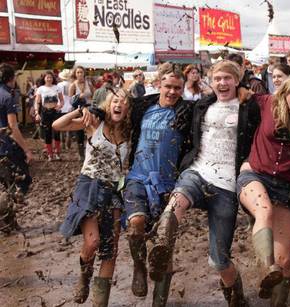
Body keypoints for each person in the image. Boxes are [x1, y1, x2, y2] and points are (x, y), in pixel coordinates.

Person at [148, 60, 260, 306]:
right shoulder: (202, 104)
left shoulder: (249, 106)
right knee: (175, 204)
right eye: (217, 78)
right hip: (198, 172)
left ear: (236, 80)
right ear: (211, 80)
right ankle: (162, 246)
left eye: (227, 78)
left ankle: (236, 298)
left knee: (219, 260)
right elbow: (167, 101)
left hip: (228, 185)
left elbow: (268, 121)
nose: (222, 83)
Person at [237, 75, 290, 306]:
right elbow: (236, 90)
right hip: (254, 175)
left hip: (285, 188)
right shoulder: (267, 104)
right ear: (282, 95)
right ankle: (265, 268)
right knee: (264, 211)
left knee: (284, 261)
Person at [122, 63, 193, 306]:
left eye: (177, 88)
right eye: (168, 86)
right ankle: (139, 267)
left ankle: (159, 302)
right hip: (138, 177)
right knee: (136, 225)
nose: (172, 92)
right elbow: (115, 107)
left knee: (165, 245)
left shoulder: (187, 113)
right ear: (158, 85)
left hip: (168, 184)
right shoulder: (143, 108)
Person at [55, 88, 131, 306]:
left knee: (110, 249)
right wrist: (80, 110)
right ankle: (84, 275)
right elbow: (57, 126)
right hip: (89, 185)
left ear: (128, 108)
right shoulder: (94, 124)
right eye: (115, 100)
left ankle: (100, 302)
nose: (119, 105)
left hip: (114, 190)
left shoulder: (128, 131)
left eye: (124, 102)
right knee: (93, 241)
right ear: (109, 104)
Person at [0, 63, 32, 231]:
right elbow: (13, 127)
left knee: (5, 184)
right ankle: (6, 219)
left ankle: (9, 222)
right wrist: (26, 149)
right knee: (22, 180)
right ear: (11, 79)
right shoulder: (7, 96)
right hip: (6, 147)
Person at [34, 71, 64, 161]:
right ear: (44, 78)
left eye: (51, 77)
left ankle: (57, 153)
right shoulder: (40, 89)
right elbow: (37, 102)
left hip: (55, 112)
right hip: (45, 112)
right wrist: (36, 113)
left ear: (53, 78)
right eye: (47, 77)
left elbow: (62, 100)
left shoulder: (57, 87)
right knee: (47, 133)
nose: (49, 79)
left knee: (57, 132)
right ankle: (50, 154)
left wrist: (60, 105)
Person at [69, 66, 95, 161]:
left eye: (81, 72)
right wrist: (78, 97)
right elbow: (70, 100)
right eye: (78, 72)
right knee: (79, 132)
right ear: (75, 74)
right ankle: (81, 154)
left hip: (89, 109)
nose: (80, 74)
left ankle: (91, 151)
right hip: (78, 110)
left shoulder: (89, 84)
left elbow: (94, 95)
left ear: (84, 73)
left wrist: (91, 101)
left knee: (91, 130)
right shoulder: (73, 85)